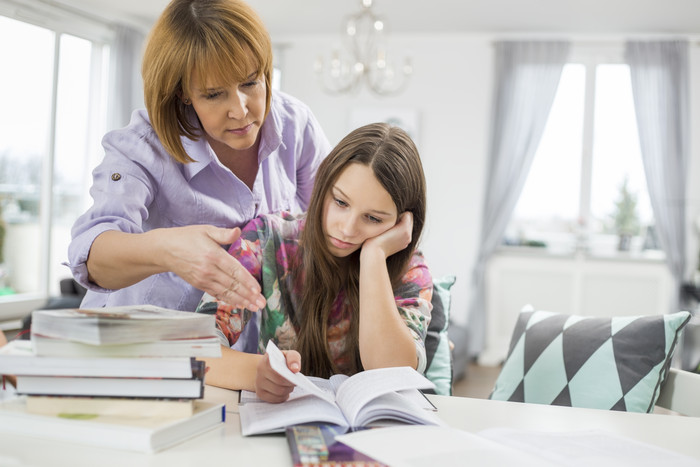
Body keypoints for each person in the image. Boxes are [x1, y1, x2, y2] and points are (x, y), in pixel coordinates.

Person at [67, 0, 330, 312]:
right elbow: (92, 256)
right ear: (183, 93)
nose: (240, 110)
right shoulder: (142, 148)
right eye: (214, 94)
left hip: (247, 348)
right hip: (140, 342)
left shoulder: (295, 125)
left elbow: (335, 218)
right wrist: (167, 250)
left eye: (250, 82)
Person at [196, 123, 432, 403]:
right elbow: (196, 345)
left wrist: (374, 258)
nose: (346, 228)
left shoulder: (411, 270)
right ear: (323, 184)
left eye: (373, 218)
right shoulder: (267, 239)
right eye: (341, 202)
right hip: (280, 420)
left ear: (402, 222)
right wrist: (255, 373)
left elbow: (391, 373)